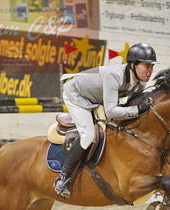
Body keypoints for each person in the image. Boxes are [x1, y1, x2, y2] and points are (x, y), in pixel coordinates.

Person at [54, 43, 158, 199]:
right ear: (132, 65)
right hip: (76, 95)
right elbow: (110, 112)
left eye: (151, 66)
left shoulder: (141, 82)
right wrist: (137, 110)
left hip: (97, 98)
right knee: (88, 135)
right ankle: (63, 178)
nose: (149, 71)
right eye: (146, 66)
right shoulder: (114, 75)